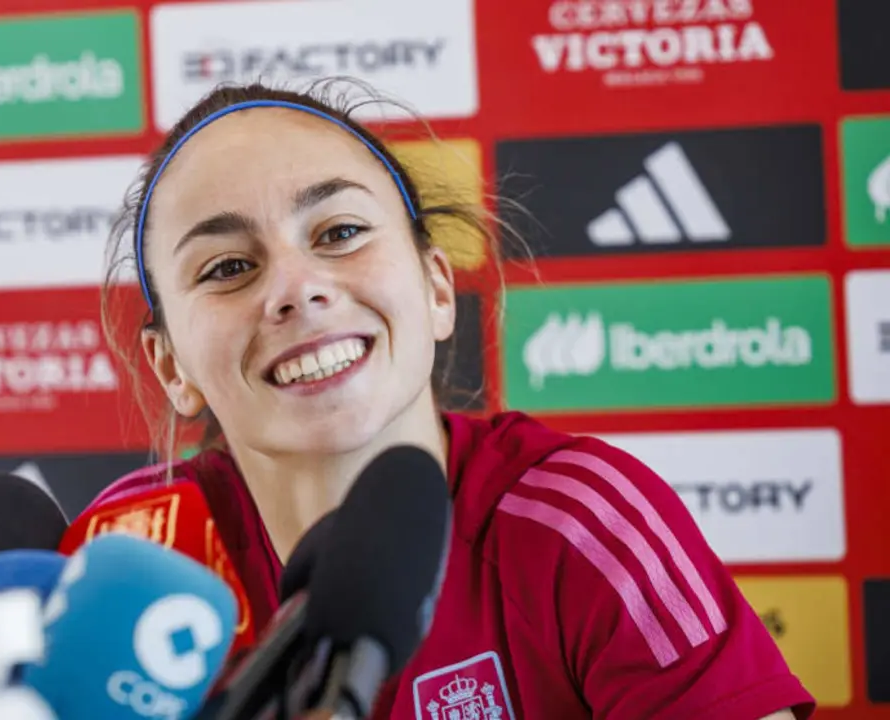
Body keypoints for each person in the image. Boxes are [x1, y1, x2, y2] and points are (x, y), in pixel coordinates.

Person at [87, 80, 814, 719]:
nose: (295, 289)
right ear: (170, 364)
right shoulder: (121, 556)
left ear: (438, 290)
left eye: (340, 232)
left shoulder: (583, 524)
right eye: (228, 267)